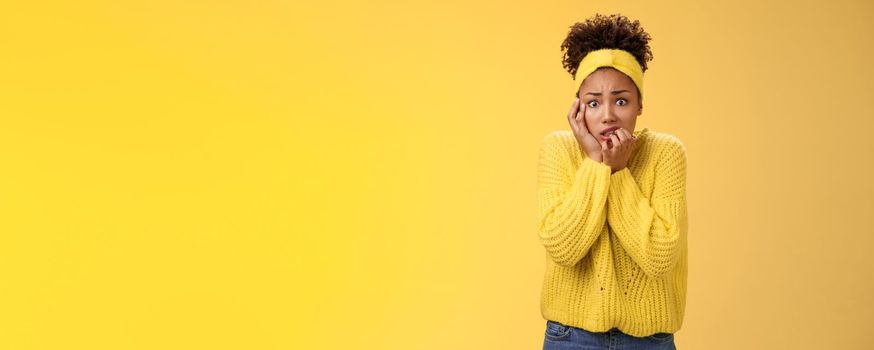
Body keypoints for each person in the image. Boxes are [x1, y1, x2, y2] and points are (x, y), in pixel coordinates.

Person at [537, 13, 688, 350]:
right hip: (571, 337)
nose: (607, 114)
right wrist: (594, 162)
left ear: (639, 105)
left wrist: (618, 172)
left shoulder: (666, 153)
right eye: (593, 102)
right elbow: (563, 248)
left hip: (649, 340)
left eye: (621, 101)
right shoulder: (558, 150)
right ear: (578, 108)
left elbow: (658, 256)